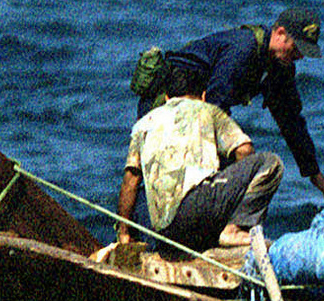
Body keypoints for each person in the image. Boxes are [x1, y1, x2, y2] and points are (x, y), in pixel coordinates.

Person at [135, 7, 324, 199]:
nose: (300, 56)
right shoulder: (242, 50)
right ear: (280, 33)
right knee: (163, 176)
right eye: (297, 48)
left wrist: (313, 172)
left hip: (200, 112)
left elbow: (291, 120)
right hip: (165, 105)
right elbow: (215, 104)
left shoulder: (280, 66)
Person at [116, 96, 284, 252]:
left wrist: (123, 233)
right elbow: (244, 150)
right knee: (270, 162)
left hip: (163, 228)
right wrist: (235, 196)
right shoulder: (208, 110)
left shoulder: (144, 123)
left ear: (166, 96)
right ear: (203, 94)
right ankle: (234, 229)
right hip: (198, 209)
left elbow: (130, 180)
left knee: (144, 194)